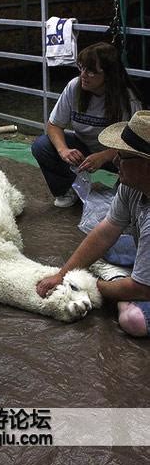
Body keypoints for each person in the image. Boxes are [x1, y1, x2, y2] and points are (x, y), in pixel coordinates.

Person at [37, 110, 150, 338]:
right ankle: (128, 278)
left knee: (133, 320)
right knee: (103, 246)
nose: (115, 161)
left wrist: (87, 285)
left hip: (144, 288)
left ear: (146, 165)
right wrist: (63, 274)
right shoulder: (131, 186)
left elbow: (142, 290)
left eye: (122, 156)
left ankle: (122, 280)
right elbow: (106, 231)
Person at [31, 41, 143, 208]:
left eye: (91, 72)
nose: (83, 75)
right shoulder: (74, 87)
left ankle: (122, 195)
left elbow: (135, 144)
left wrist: (104, 156)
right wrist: (64, 150)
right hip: (84, 147)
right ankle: (68, 188)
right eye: (81, 68)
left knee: (136, 173)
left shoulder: (128, 99)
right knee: (42, 145)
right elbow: (54, 125)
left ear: (109, 75)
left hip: (118, 153)